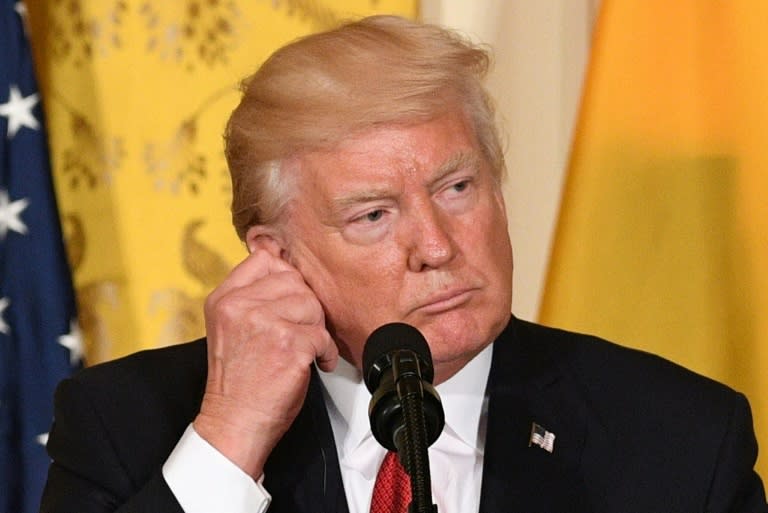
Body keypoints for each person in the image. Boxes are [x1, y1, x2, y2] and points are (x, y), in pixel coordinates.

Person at [40, 15, 767, 513]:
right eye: (374, 215)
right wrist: (232, 439)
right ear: (277, 257)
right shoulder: (129, 424)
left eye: (458, 187)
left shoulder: (678, 438)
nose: (438, 245)